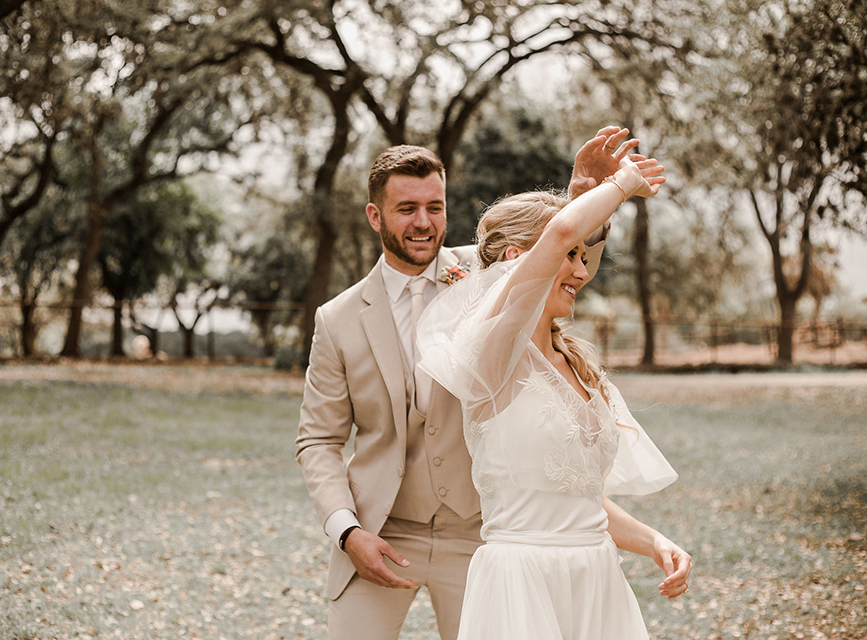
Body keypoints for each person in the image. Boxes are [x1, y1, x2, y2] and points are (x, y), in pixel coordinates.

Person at [295, 127, 685, 640]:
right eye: (407, 208)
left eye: (435, 207)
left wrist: (580, 199)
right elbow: (317, 440)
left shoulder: (484, 273)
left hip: (477, 530)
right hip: (384, 528)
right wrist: (347, 530)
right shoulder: (338, 317)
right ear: (375, 216)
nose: (424, 222)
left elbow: (556, 249)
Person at [416, 153, 692, 639]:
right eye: (570, 257)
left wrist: (652, 541)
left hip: (596, 579)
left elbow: (577, 498)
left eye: (585, 258)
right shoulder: (490, 356)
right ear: (513, 260)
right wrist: (622, 184)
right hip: (522, 584)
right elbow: (561, 232)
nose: (582, 272)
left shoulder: (579, 365)